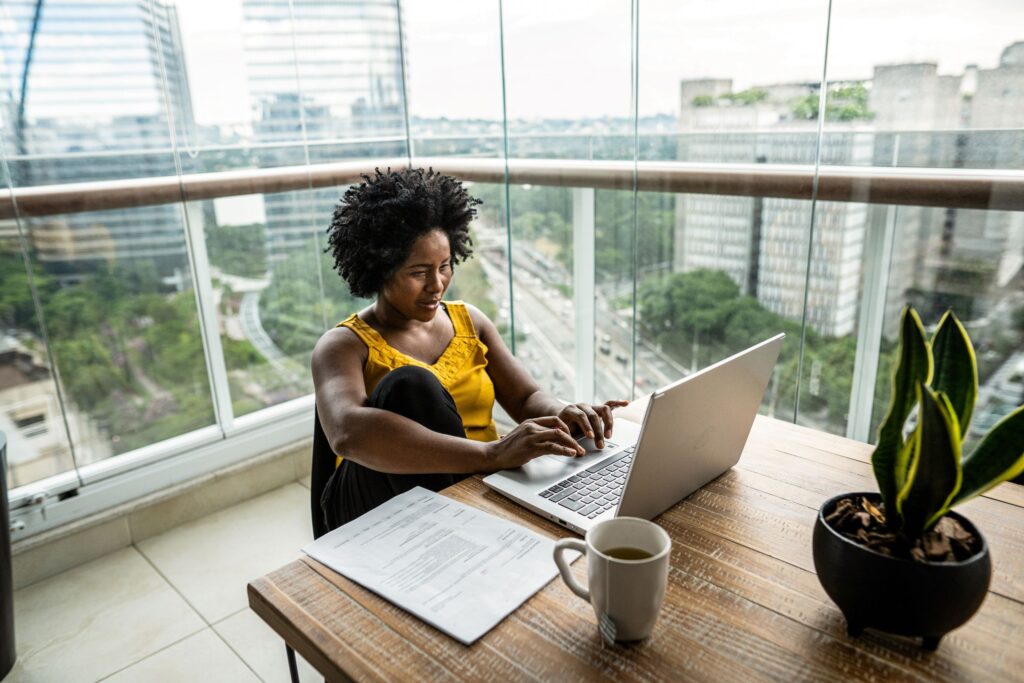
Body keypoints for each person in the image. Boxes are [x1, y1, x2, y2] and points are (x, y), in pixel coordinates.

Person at [312, 167, 627, 530]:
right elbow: (348, 433)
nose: (437, 284)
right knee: (410, 386)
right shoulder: (343, 346)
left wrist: (563, 414)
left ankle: (475, 524)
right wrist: (492, 454)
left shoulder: (470, 322)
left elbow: (525, 398)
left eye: (444, 266)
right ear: (380, 270)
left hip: (474, 482)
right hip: (372, 499)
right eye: (419, 272)